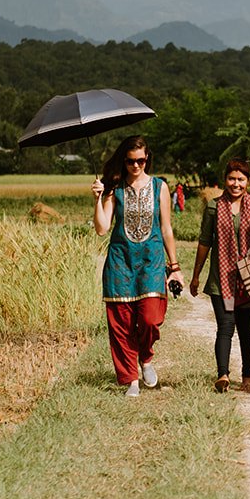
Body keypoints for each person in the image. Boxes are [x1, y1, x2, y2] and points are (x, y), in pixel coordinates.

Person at [92, 136, 184, 398]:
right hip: (120, 261)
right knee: (121, 324)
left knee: (150, 318)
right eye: (131, 161)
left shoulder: (159, 187)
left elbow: (166, 228)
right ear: (125, 160)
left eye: (141, 161)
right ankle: (130, 377)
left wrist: (174, 266)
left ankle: (146, 357)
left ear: (147, 159)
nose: (136, 166)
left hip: (151, 262)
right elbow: (101, 229)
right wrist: (98, 198)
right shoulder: (115, 189)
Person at [189, 159, 250, 393]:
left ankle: (247, 378)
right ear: (225, 180)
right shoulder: (214, 207)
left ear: (248, 181)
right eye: (232, 179)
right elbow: (205, 242)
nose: (236, 184)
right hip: (220, 278)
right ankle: (222, 375)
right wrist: (196, 275)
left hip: (248, 278)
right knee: (225, 325)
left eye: (241, 180)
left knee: (246, 329)